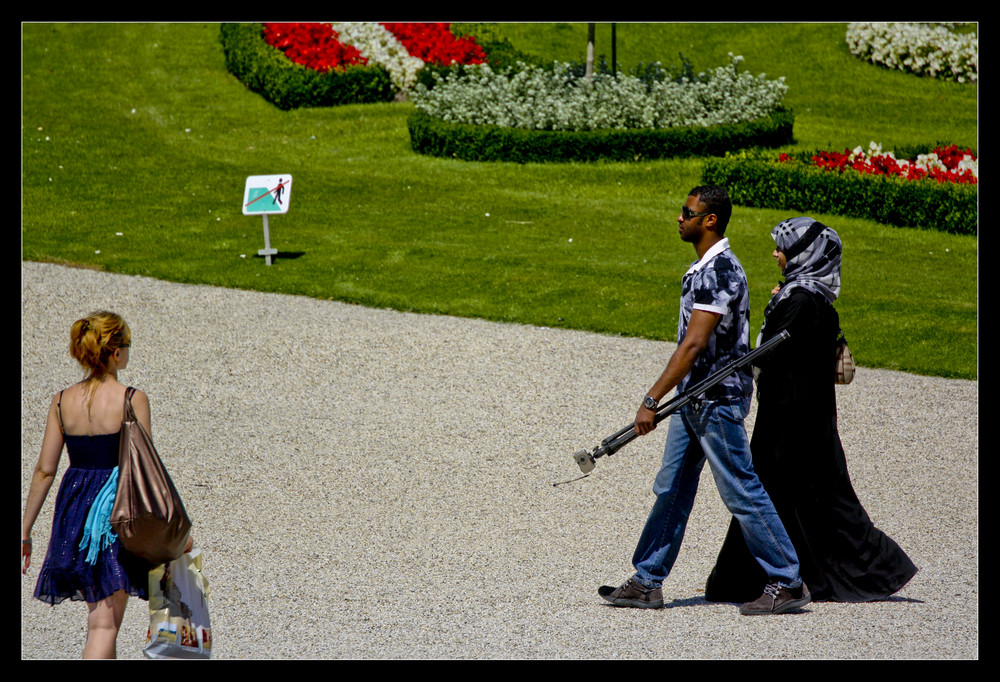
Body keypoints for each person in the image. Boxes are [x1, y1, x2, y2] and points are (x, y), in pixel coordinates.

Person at [598, 186, 811, 616]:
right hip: (693, 399)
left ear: (709, 219)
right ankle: (646, 580)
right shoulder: (704, 267)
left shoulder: (719, 272)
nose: (680, 218)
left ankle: (788, 581)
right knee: (671, 487)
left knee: (740, 490)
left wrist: (651, 399)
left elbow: (695, 344)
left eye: (687, 212)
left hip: (716, 401)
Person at [704, 217, 918, 603]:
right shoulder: (811, 296)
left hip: (789, 420)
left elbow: (764, 353)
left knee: (772, 493)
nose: (775, 253)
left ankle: (754, 580)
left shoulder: (798, 300)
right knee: (811, 496)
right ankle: (774, 577)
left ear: (805, 254)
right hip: (805, 417)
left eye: (783, 247)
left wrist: (775, 306)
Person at [21, 310, 186, 658]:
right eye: (126, 345)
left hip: (75, 513)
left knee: (100, 618)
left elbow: (45, 471)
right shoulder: (131, 398)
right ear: (115, 352)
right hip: (114, 515)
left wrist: (25, 530)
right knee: (104, 626)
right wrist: (175, 534)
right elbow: (147, 470)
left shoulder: (62, 400)